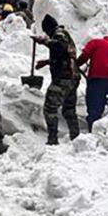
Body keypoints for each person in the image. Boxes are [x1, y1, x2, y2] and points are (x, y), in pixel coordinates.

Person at [33, 14, 81, 144]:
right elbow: (64, 55)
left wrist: (44, 41)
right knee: (69, 110)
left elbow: (59, 47)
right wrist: (47, 62)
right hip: (72, 78)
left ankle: (53, 139)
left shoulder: (59, 34)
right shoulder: (64, 34)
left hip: (63, 79)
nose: (47, 35)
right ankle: (76, 139)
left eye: (46, 32)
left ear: (49, 28)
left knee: (49, 108)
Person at [78, 34, 108, 130]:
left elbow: (86, 54)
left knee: (94, 109)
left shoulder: (96, 42)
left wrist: (76, 64)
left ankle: (93, 131)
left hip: (97, 79)